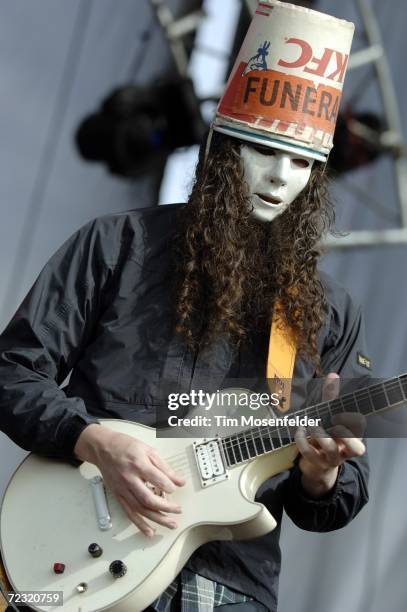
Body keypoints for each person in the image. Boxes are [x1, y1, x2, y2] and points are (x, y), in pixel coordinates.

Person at [0, 2, 370, 611]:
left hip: (231, 588)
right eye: (265, 151)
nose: (281, 177)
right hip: (78, 559)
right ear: (224, 148)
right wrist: (91, 440)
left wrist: (322, 473)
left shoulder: (326, 311)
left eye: (302, 162)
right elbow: (12, 369)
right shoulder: (117, 244)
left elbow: (335, 498)